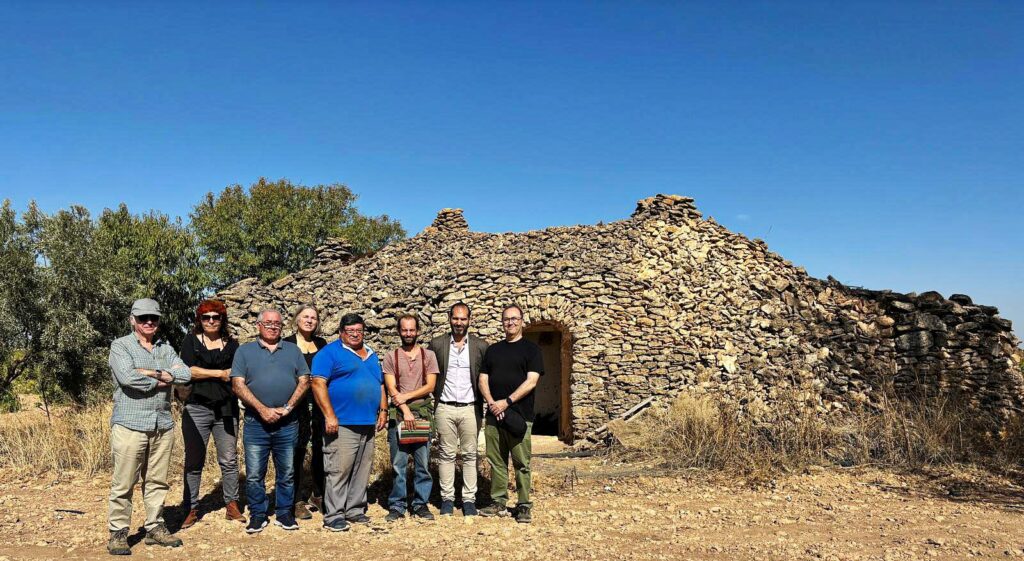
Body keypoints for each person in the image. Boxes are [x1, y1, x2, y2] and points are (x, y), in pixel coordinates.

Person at [106, 298, 191, 555]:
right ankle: (118, 532)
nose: (149, 322)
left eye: (153, 318)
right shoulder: (120, 346)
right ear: (133, 320)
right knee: (124, 482)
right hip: (130, 424)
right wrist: (162, 375)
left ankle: (154, 526)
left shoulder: (166, 347)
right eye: (143, 318)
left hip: (162, 424)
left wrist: (150, 371)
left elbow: (185, 374)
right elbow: (128, 378)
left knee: (157, 480)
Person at [230, 308, 310, 534]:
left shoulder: (293, 351)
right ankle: (258, 514)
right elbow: (237, 384)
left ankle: (284, 512)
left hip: (287, 423)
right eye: (268, 323)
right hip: (256, 422)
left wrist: (288, 407)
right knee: (255, 473)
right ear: (258, 325)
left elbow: (304, 381)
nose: (273, 326)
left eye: (277, 323)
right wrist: (262, 409)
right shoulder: (244, 352)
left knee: (286, 471)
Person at [310, 313, 388, 532]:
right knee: (338, 469)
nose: (355, 334)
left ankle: (354, 509)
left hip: (367, 422)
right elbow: (318, 384)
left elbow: (379, 384)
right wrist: (330, 415)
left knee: (362, 469)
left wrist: (383, 409)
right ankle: (334, 514)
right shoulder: (329, 353)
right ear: (341, 332)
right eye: (350, 331)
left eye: (359, 331)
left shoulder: (371, 354)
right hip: (342, 423)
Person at [178, 300, 245, 529]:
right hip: (197, 407)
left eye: (216, 317)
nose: (211, 321)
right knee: (194, 460)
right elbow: (187, 371)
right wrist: (219, 374)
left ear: (222, 319)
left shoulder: (233, 344)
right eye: (206, 317)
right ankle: (191, 506)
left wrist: (215, 374)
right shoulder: (191, 341)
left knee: (229, 459)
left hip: (226, 409)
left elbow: (237, 373)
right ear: (200, 319)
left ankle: (232, 504)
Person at [478, 304, 544, 524]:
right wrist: (491, 403)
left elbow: (532, 381)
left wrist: (505, 402)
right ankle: (498, 501)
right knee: (496, 461)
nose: (510, 322)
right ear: (502, 322)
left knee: (521, 463)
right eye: (507, 319)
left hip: (519, 416)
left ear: (522, 321)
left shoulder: (532, 350)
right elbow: (483, 379)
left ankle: (524, 504)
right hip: (493, 417)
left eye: (514, 319)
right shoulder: (493, 350)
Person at [427, 302, 489, 516]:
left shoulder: (481, 346)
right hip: (444, 407)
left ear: (469, 320)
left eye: (463, 319)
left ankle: (469, 500)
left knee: (470, 454)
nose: (459, 323)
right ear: (449, 318)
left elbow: (486, 377)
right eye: (455, 318)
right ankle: (447, 498)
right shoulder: (437, 345)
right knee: (446, 454)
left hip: (471, 408)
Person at [383, 314, 438, 522]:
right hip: (399, 415)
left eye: (412, 330)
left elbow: (430, 386)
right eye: (404, 330)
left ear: (418, 331)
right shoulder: (391, 357)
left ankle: (420, 504)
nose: (408, 333)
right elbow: (390, 387)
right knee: (399, 464)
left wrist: (406, 396)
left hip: (422, 414)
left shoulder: (428, 356)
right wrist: (405, 409)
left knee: (423, 463)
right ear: (399, 331)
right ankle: (397, 505)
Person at [283, 305, 328, 520]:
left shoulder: (322, 344)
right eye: (305, 317)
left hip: (319, 402)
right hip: (296, 403)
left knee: (321, 447)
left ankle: (318, 494)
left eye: (313, 318)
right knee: (297, 451)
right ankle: (296, 499)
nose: (309, 321)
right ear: (296, 320)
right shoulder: (287, 344)